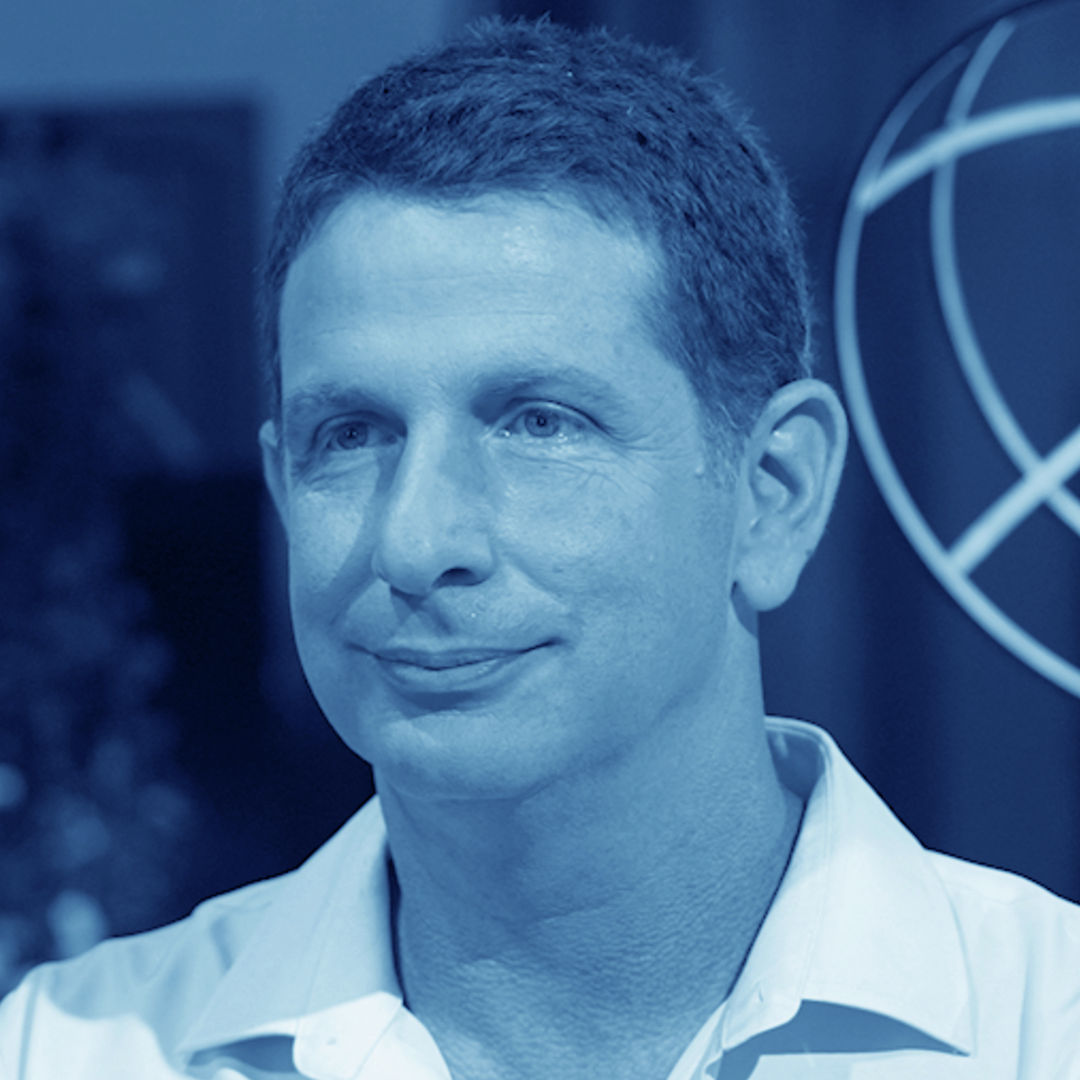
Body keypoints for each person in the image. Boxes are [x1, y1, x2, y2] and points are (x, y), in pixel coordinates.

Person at [2, 17, 1079, 1080]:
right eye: (353, 435)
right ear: (284, 485)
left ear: (772, 493)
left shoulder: (1045, 1029)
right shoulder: (69, 1052)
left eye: (538, 423)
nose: (414, 541)